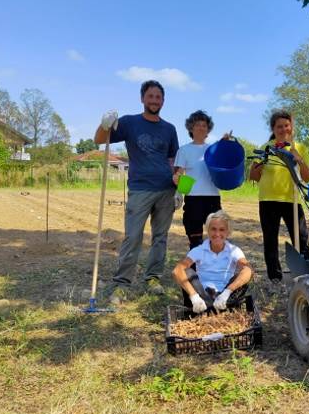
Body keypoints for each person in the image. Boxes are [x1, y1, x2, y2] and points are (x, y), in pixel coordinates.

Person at [94, 80, 179, 303]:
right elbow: (99, 140)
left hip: (166, 190)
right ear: (142, 99)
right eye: (150, 96)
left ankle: (153, 278)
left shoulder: (169, 129)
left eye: (158, 97)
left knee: (160, 237)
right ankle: (122, 282)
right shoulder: (130, 123)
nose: (154, 100)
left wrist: (179, 187)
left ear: (163, 101)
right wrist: (104, 124)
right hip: (140, 189)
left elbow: (174, 160)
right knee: (132, 237)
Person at [249, 109, 309, 284]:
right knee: (270, 239)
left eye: (286, 125)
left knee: (301, 237)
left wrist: (298, 159)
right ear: (273, 128)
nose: (283, 129)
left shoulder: (300, 148)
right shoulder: (266, 147)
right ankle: (275, 277)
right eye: (279, 127)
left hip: (291, 200)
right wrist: (261, 162)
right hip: (268, 200)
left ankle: (306, 274)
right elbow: (253, 177)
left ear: (291, 126)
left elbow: (307, 177)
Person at [172, 210, 253, 313]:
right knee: (187, 272)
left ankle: (219, 306)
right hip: (203, 296)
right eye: (213, 229)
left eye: (222, 230)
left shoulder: (234, 250)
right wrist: (194, 296)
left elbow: (249, 270)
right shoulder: (198, 250)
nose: (217, 234)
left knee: (245, 272)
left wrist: (227, 292)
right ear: (208, 231)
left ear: (228, 232)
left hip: (226, 298)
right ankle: (206, 307)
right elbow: (177, 271)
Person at [172, 110, 222, 250]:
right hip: (193, 199)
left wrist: (224, 144)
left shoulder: (213, 149)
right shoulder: (184, 150)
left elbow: (223, 168)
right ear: (191, 128)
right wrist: (178, 185)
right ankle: (195, 269)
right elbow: (180, 174)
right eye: (197, 125)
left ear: (208, 129)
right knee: (195, 239)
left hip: (213, 198)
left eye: (204, 125)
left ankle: (214, 268)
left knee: (217, 237)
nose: (201, 127)